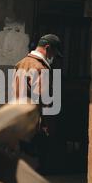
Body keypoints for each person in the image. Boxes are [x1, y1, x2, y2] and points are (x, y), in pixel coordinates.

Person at [14, 34, 63, 173]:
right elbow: (45, 101)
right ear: (47, 48)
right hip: (35, 126)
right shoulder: (41, 69)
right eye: (53, 53)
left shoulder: (21, 63)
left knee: (22, 165)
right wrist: (49, 127)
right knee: (35, 167)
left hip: (20, 119)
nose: (53, 57)